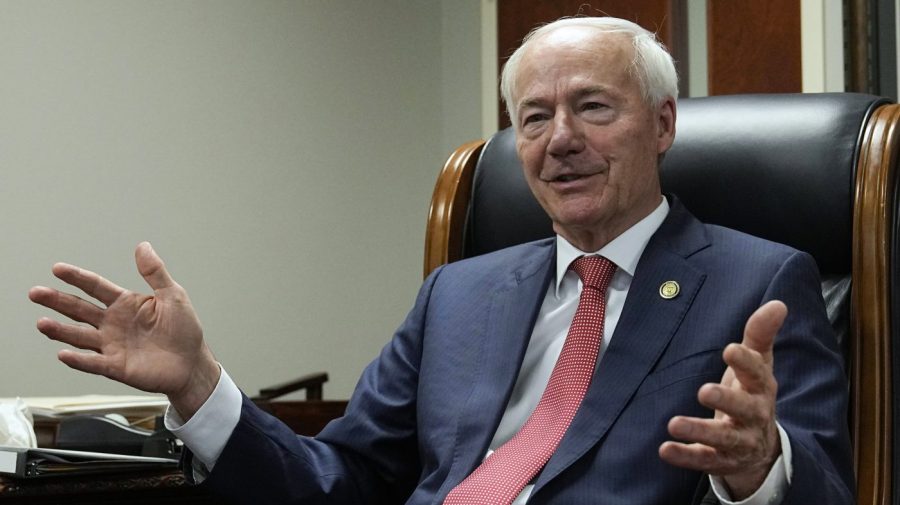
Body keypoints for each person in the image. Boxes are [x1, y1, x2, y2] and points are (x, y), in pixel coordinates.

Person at [29, 16, 853, 505]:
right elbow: (339, 477)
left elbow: (825, 482)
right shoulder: (459, 293)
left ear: (664, 125)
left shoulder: (761, 280)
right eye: (533, 118)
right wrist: (197, 384)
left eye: (593, 109)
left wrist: (759, 465)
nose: (559, 139)